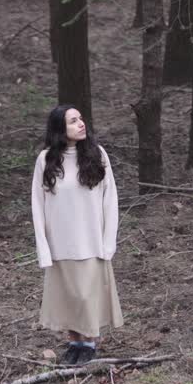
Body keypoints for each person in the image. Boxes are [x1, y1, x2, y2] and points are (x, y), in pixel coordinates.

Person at [31, 104, 123, 366]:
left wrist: (108, 241)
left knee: (86, 296)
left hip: (91, 240)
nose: (81, 123)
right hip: (60, 242)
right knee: (68, 296)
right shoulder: (46, 159)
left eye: (81, 119)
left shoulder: (97, 155)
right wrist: (43, 247)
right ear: (61, 128)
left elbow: (110, 200)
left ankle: (90, 343)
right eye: (73, 121)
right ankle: (75, 342)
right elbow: (38, 205)